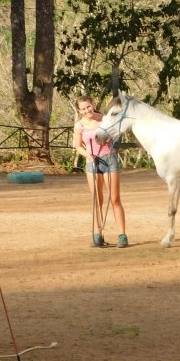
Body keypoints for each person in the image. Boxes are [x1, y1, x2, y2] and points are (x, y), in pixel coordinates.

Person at [73, 95, 128, 248]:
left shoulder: (104, 119)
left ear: (93, 104)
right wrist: (87, 155)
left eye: (88, 106)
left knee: (115, 199)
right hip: (93, 162)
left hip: (109, 160)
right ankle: (98, 235)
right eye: (83, 108)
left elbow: (116, 135)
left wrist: (112, 143)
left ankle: (122, 235)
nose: (86, 110)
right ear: (79, 110)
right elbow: (78, 146)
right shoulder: (80, 125)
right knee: (97, 200)